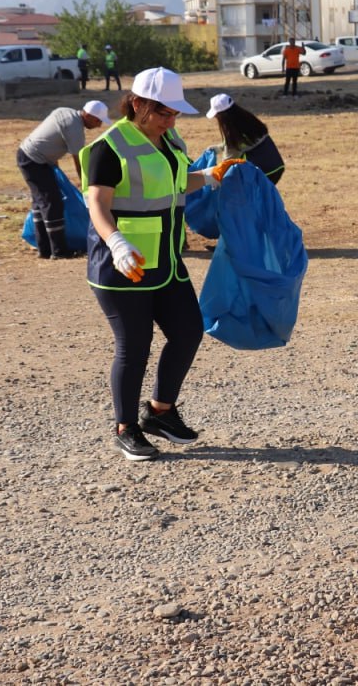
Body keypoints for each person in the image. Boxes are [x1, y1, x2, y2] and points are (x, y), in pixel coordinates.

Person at [81, 67, 241, 462]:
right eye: (164, 112)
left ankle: (159, 413)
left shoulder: (169, 140)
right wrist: (117, 243)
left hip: (165, 262)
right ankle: (126, 428)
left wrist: (207, 176)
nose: (172, 120)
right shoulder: (109, 147)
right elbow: (97, 204)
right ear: (138, 104)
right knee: (134, 347)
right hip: (122, 266)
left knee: (188, 331)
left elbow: (172, 183)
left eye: (175, 113)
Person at [17, 99, 111, 260]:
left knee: (40, 204)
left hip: (34, 158)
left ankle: (44, 249)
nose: (98, 126)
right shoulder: (75, 127)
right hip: (34, 161)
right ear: (88, 115)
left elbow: (50, 138)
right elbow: (79, 159)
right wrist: (86, 183)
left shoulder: (65, 111)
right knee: (52, 203)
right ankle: (59, 251)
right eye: (97, 121)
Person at [205, 93, 285, 184]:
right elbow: (246, 143)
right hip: (276, 166)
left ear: (222, 116)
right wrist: (220, 147)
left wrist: (215, 176)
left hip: (263, 172)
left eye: (216, 115)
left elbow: (227, 162)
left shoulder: (233, 133)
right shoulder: (248, 120)